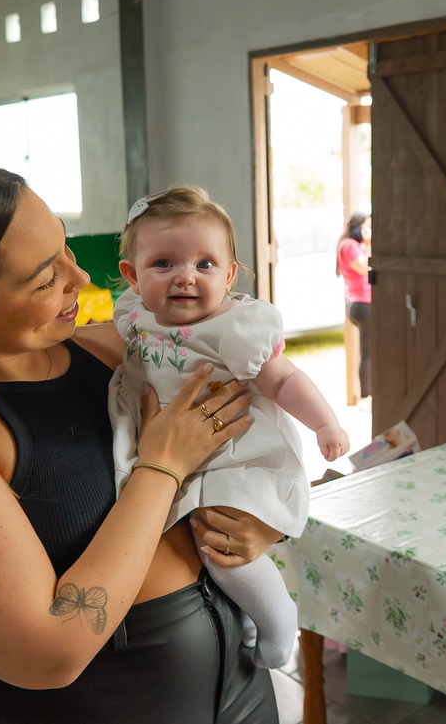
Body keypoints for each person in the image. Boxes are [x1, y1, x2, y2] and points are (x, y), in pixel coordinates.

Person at [0, 160, 282, 724]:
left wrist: (259, 526)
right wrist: (162, 468)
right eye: (46, 278)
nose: (83, 281)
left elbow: (258, 427)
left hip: (240, 688)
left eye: (65, 249)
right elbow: (51, 652)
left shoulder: (113, 353)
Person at [110, 186, 350, 669]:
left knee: (216, 543)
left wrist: (325, 422)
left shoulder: (237, 328)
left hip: (235, 453)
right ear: (132, 277)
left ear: (230, 275)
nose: (185, 277)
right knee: (189, 545)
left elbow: (284, 381)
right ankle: (245, 618)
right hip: (175, 451)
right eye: (163, 264)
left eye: (205, 265)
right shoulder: (135, 319)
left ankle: (279, 624)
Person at [336, 212, 372, 402]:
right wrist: (368, 243)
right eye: (366, 226)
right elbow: (364, 267)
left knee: (369, 351)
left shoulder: (350, 245)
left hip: (358, 303)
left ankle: (368, 394)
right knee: (367, 353)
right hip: (362, 303)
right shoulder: (350, 245)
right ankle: (366, 396)